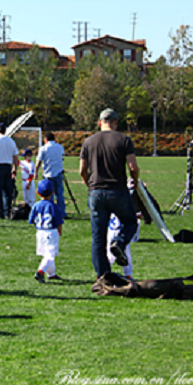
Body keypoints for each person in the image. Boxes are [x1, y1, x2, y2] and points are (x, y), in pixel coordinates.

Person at [79, 108, 140, 278]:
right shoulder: (124, 140)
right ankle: (119, 243)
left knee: (98, 239)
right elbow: (133, 167)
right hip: (118, 191)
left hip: (96, 192)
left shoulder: (88, 142)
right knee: (130, 223)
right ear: (115, 122)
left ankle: (103, 277)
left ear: (99, 123)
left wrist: (90, 186)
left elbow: (82, 170)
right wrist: (134, 179)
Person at [28, 179, 64, 283]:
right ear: (53, 192)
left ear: (37, 192)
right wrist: (59, 230)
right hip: (51, 231)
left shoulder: (36, 205)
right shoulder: (53, 206)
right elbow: (59, 221)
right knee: (50, 255)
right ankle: (40, 271)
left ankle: (51, 274)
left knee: (46, 254)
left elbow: (32, 220)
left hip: (40, 232)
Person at [35, 132, 66, 217]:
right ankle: (61, 212)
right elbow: (61, 157)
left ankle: (51, 212)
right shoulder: (60, 147)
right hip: (58, 172)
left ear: (45, 139)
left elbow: (38, 161)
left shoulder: (43, 148)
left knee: (49, 194)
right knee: (60, 194)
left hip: (48, 173)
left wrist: (36, 172)